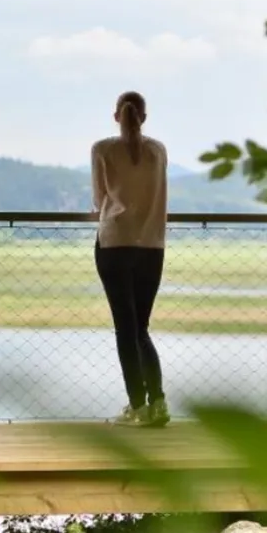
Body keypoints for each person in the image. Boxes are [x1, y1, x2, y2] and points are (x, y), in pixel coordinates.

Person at [91, 91, 170, 428]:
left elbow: (99, 199)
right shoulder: (158, 150)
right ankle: (159, 403)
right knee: (141, 329)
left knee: (126, 329)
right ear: (144, 117)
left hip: (114, 244)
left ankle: (137, 406)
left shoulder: (102, 150)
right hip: (152, 246)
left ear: (116, 116)